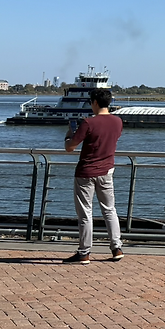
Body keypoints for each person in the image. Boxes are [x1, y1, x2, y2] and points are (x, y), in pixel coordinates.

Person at [64, 87, 124, 264]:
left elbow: (70, 147)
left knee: (85, 213)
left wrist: (69, 134)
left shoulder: (88, 123)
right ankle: (117, 247)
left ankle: (84, 252)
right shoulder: (118, 122)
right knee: (109, 210)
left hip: (86, 172)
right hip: (107, 171)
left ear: (95, 102)